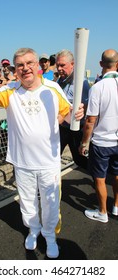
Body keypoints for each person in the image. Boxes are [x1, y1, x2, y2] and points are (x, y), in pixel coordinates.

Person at [0, 46, 84, 259]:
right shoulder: (10, 89)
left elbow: (68, 116)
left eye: (30, 63)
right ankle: (33, 230)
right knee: (28, 203)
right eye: (20, 65)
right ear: (16, 69)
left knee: (50, 204)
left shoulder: (52, 88)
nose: (25, 68)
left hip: (49, 161)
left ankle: (49, 236)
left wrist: (78, 114)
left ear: (37, 65)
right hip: (22, 162)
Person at [79, 49, 118, 223]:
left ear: (101, 64)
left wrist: (84, 143)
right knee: (117, 175)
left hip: (102, 142)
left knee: (100, 178)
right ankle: (116, 206)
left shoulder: (98, 87)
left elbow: (90, 120)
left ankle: (103, 213)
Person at [56, 49, 90, 169]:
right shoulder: (59, 81)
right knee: (53, 156)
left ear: (72, 64)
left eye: (62, 65)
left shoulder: (82, 83)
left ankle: (98, 179)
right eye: (57, 65)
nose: (59, 68)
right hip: (62, 127)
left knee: (80, 160)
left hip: (77, 128)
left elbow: (87, 107)